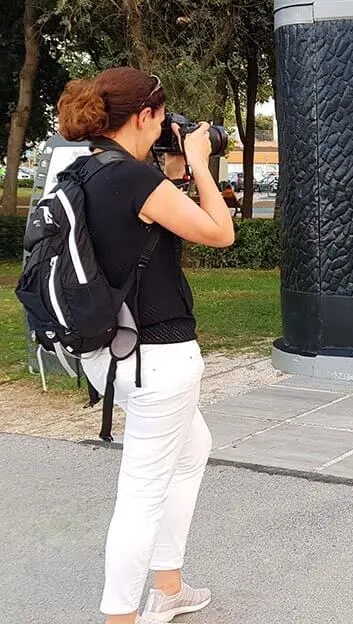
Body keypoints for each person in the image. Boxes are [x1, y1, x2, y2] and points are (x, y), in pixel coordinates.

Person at [56, 67, 235, 623]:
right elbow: (219, 232)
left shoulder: (87, 172)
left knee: (192, 448)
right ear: (146, 117)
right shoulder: (134, 181)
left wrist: (177, 169)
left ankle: (169, 587)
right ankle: (122, 616)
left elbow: (139, 229)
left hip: (109, 354)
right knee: (140, 495)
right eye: (162, 114)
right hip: (156, 358)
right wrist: (201, 164)